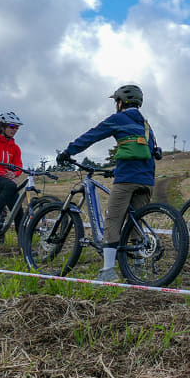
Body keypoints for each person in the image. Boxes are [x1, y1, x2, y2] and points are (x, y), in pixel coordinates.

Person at [56, 84, 163, 282]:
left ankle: (107, 271)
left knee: (113, 219)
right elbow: (144, 154)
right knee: (135, 221)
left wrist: (67, 152)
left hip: (127, 179)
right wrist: (115, 170)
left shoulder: (118, 118)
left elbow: (92, 135)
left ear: (120, 103)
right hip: (147, 180)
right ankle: (139, 267)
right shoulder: (147, 126)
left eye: (116, 101)